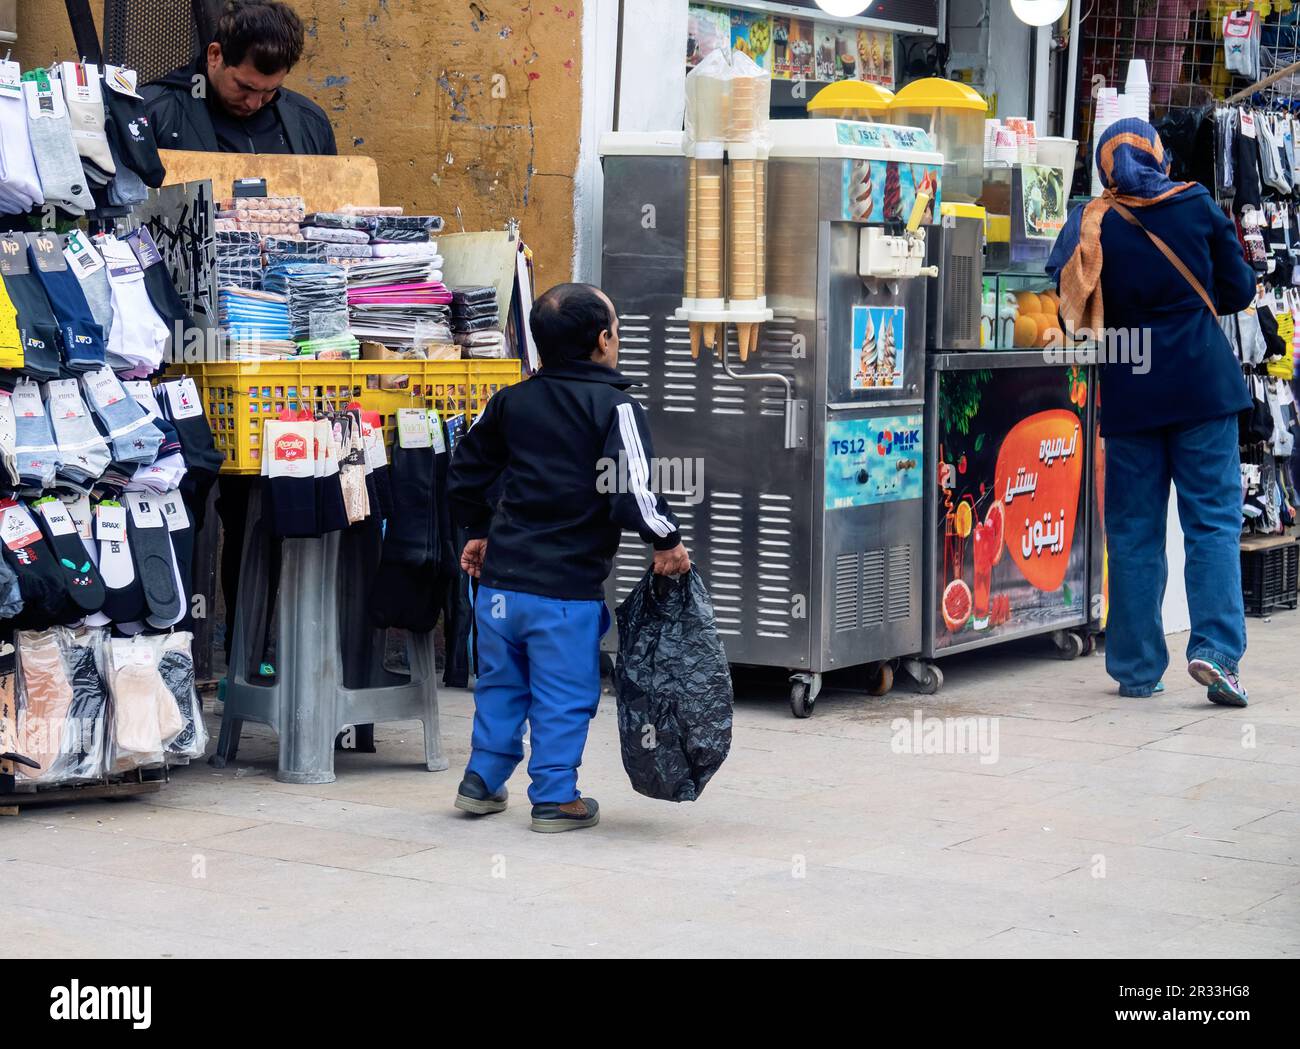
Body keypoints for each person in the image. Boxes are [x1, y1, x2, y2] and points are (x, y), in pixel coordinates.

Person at [447, 284, 691, 832]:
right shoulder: (616, 406)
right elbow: (632, 489)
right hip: (564, 594)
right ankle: (556, 798)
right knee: (563, 694)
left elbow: (465, 470)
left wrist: (478, 530)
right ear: (603, 341)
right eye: (617, 330)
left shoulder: (510, 400)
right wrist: (666, 539)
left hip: (500, 589)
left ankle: (481, 781)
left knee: (501, 685)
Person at [1047, 119, 1256, 706]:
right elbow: (1239, 290)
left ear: (1105, 167)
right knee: (1211, 523)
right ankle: (1216, 653)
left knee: (1133, 532)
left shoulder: (1093, 220)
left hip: (1132, 392)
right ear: (1159, 156)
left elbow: (1064, 298)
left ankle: (1137, 668)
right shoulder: (1196, 204)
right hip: (1202, 387)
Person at [143, 0, 337, 155]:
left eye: (270, 90)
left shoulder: (310, 123)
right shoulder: (151, 113)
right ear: (215, 55)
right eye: (245, 87)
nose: (254, 104)